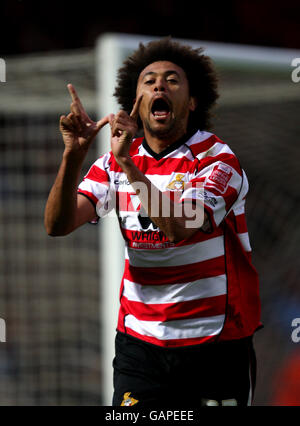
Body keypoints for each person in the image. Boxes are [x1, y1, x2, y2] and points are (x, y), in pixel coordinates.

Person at [44, 38, 261, 407]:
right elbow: (58, 224)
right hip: (140, 345)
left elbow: (182, 226)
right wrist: (72, 156)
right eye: (149, 81)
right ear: (137, 103)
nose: (160, 85)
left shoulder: (216, 160)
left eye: (173, 80)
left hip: (214, 343)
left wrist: (129, 165)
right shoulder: (111, 164)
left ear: (192, 102)